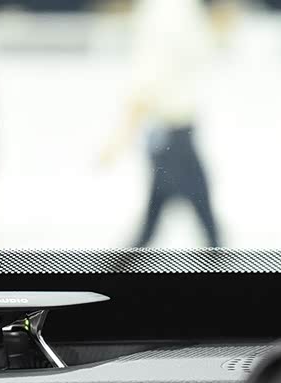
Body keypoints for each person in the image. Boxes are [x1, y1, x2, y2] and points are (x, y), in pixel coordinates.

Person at [100, 0, 238, 248]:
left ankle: (112, 270)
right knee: (204, 225)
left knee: (155, 226)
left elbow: (158, 73)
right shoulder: (168, 11)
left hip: (172, 134)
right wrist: (120, 138)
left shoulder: (170, 10)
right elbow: (150, 78)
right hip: (172, 135)